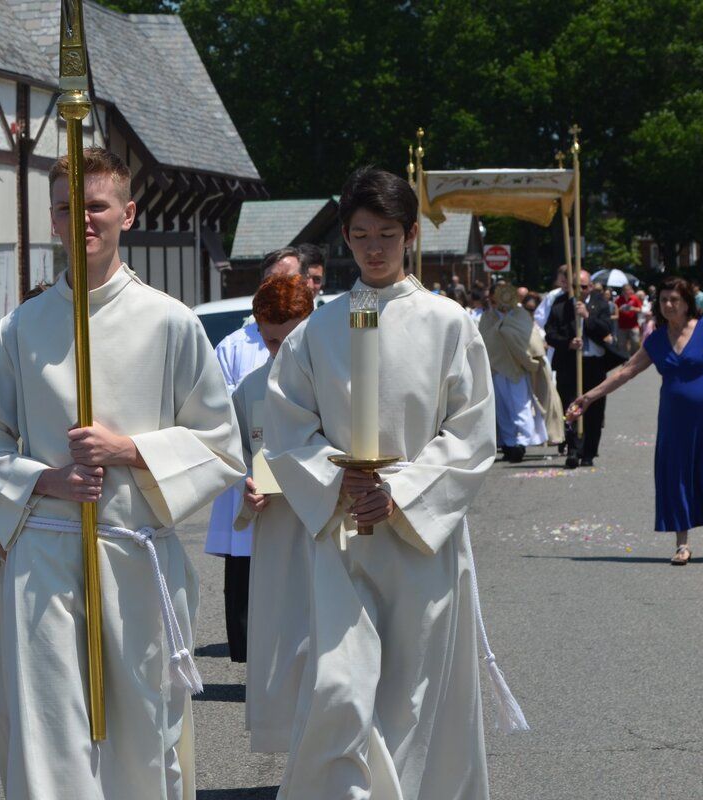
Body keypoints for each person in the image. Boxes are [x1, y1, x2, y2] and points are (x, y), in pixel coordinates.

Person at [0, 147, 244, 800]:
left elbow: (220, 447)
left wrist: (128, 449)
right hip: (46, 561)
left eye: (96, 205)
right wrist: (45, 480)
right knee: (51, 742)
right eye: (67, 207)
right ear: (52, 218)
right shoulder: (22, 329)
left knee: (142, 743)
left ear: (127, 213)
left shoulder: (171, 323)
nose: (82, 220)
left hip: (134, 560)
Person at [264, 166, 496, 799]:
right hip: (342, 537)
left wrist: (399, 490)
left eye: (387, 235)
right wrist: (337, 485)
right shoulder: (318, 328)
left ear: (411, 235)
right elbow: (285, 426)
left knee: (416, 698)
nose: (373, 248)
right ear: (344, 236)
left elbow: (472, 434)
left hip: (423, 539)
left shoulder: (450, 324)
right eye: (361, 234)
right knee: (341, 688)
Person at [226, 274, 316, 753]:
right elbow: (239, 459)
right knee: (284, 645)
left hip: (328, 529)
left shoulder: (339, 381)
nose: (281, 350)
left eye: (291, 338)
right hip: (278, 534)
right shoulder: (251, 388)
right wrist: (247, 493)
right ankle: (298, 757)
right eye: (270, 339)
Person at [568, 277, 703, 565]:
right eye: (664, 300)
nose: (669, 305)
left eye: (675, 300)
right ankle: (682, 545)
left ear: (687, 304)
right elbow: (626, 372)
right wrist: (588, 397)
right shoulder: (656, 339)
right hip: (674, 420)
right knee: (677, 475)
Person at [204, 245, 302, 662]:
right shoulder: (245, 370)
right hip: (268, 507)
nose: (280, 350)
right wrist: (249, 479)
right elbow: (234, 437)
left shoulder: (336, 372)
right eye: (272, 341)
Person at [545, 270, 626, 468]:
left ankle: (589, 451)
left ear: (590, 286)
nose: (579, 290)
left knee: (594, 408)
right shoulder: (560, 304)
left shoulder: (599, 303)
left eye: (583, 286)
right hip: (570, 364)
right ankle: (573, 449)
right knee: (571, 406)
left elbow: (606, 329)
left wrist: (587, 316)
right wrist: (568, 343)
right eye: (575, 286)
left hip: (594, 363)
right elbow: (550, 334)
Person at [479, 284, 561, 462]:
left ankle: (522, 442)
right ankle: (508, 442)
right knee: (501, 408)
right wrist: (500, 330)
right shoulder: (487, 317)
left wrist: (507, 331)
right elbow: (484, 338)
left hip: (518, 367)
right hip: (497, 368)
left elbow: (530, 339)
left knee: (520, 406)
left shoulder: (520, 315)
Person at [615, 282, 642, 355]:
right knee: (621, 344)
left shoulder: (635, 299)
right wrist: (620, 309)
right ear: (622, 291)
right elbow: (615, 311)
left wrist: (632, 308)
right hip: (622, 326)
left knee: (635, 342)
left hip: (633, 325)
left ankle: (633, 357)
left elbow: (640, 309)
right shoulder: (618, 300)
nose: (627, 292)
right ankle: (624, 358)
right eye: (625, 290)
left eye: (628, 290)